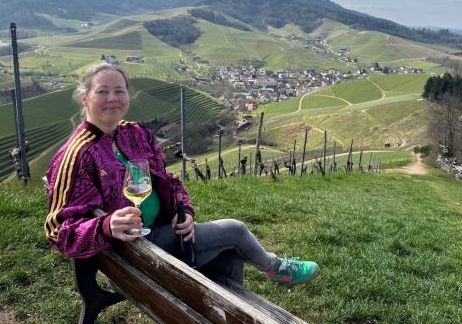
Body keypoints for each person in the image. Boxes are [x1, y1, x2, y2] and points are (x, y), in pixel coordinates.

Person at [45, 63, 319, 286]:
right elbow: (59, 232)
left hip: (161, 234)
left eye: (119, 90)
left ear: (128, 96)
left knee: (229, 257)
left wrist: (184, 211)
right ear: (84, 98)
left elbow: (168, 180)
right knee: (235, 231)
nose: (113, 98)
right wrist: (106, 226)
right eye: (102, 91)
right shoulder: (78, 154)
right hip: (135, 252)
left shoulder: (135, 134)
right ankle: (276, 268)